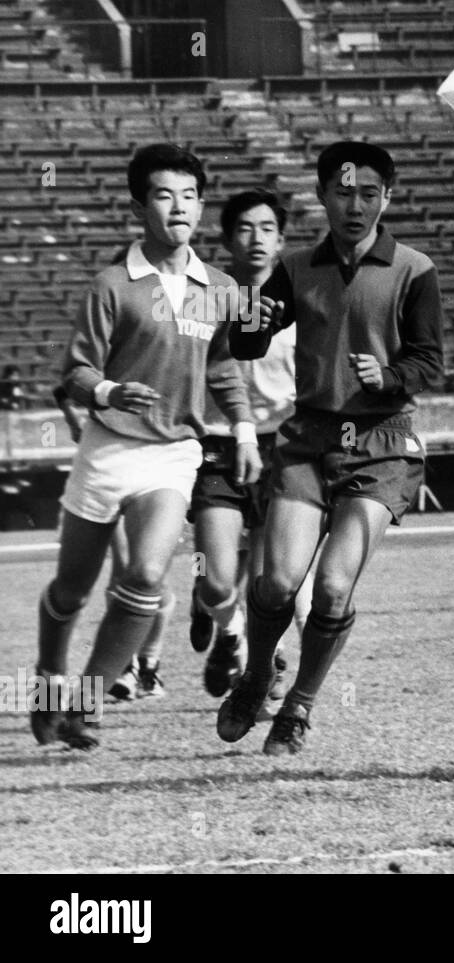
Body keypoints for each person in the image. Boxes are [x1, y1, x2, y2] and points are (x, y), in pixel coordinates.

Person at [31, 143, 259, 749]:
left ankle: (85, 703)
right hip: (107, 451)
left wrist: (242, 429)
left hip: (174, 453)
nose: (178, 206)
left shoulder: (220, 288)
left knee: (147, 575)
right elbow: (77, 371)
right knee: (72, 590)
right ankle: (50, 679)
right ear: (140, 207)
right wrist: (108, 390)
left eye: (189, 195)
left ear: (202, 206)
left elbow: (222, 368)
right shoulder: (113, 284)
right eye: (164, 194)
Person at [223, 141, 443, 756]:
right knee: (275, 584)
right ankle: (257, 673)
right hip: (308, 440)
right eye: (343, 192)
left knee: (333, 588)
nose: (356, 204)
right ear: (321, 195)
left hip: (383, 442)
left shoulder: (415, 270)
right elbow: (247, 345)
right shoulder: (296, 267)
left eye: (369, 193)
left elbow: (430, 360)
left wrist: (391, 376)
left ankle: (298, 708)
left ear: (387, 197)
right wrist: (248, 315)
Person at [188, 190, 309, 704]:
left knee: (270, 582)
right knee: (217, 581)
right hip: (219, 444)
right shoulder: (204, 300)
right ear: (226, 239)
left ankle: (267, 664)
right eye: (244, 228)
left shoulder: (304, 304)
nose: (256, 239)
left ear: (281, 240)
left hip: (282, 447)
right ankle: (228, 629)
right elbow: (186, 368)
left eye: (266, 229)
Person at [52, 384, 175, 702]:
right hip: (109, 465)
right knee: (123, 572)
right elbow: (66, 384)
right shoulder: (107, 349)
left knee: (153, 578)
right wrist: (74, 419)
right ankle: (127, 668)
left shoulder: (165, 352)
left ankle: (149, 662)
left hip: (162, 467)